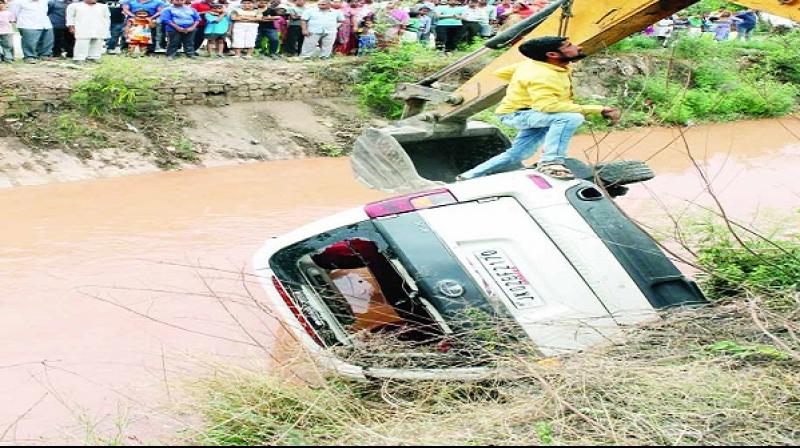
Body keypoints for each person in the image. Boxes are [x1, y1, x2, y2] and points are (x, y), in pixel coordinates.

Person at [457, 36, 620, 181]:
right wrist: (599, 109)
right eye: (569, 45)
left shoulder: (535, 65)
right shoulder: (542, 74)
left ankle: (468, 176)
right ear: (552, 55)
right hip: (518, 114)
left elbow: (501, 73)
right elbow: (547, 106)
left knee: (518, 154)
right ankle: (551, 162)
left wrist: (522, 82)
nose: (578, 47)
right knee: (570, 117)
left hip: (531, 113)